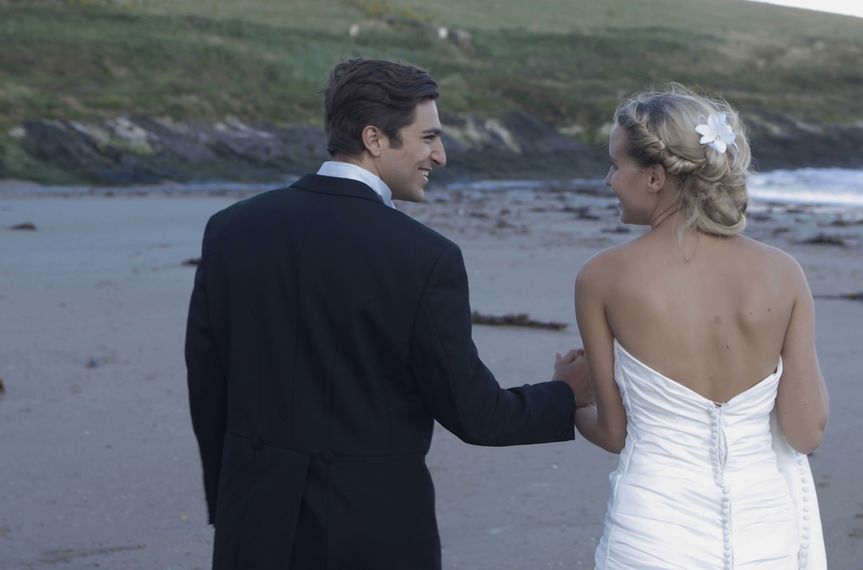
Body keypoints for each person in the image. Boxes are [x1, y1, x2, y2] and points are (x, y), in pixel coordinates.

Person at [184, 58, 592, 570]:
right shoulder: (425, 257)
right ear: (376, 139)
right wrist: (565, 394)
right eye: (428, 138)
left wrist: (230, 501)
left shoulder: (231, 230)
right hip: (374, 532)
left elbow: (207, 380)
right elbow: (474, 413)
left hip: (253, 522)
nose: (440, 156)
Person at [573, 86, 830, 569]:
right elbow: (805, 431)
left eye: (614, 164)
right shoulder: (783, 273)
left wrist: (570, 398)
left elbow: (612, 433)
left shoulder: (602, 277)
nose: (608, 180)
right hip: (764, 531)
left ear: (653, 177)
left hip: (654, 531)